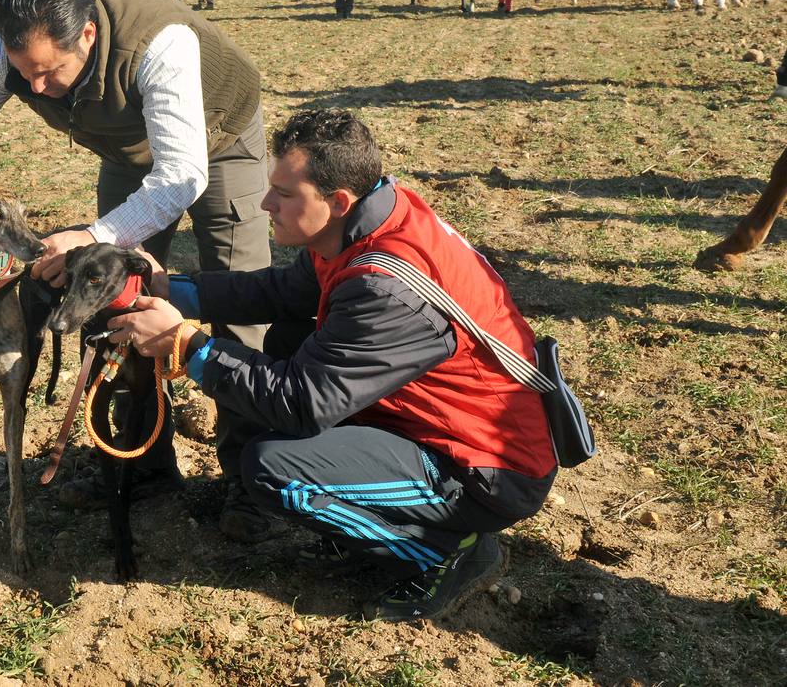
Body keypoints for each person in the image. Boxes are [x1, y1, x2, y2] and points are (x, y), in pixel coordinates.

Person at [107, 109, 558, 618]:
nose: (264, 203)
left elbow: (302, 404)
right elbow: (280, 292)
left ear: (337, 201)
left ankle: (447, 553)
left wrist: (184, 346)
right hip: (443, 425)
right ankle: (380, 516)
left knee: (275, 470)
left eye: (283, 193)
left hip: (485, 470)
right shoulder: (371, 220)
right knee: (291, 333)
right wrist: (171, 289)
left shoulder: (384, 288)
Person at [0, 0, 271, 513]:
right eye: (25, 73)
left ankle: (247, 480)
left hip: (218, 142)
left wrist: (91, 233)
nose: (35, 88)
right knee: (109, 303)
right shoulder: (9, 56)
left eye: (49, 73)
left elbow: (181, 175)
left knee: (239, 301)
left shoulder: (159, 43)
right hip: (129, 152)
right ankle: (136, 468)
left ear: (89, 38)